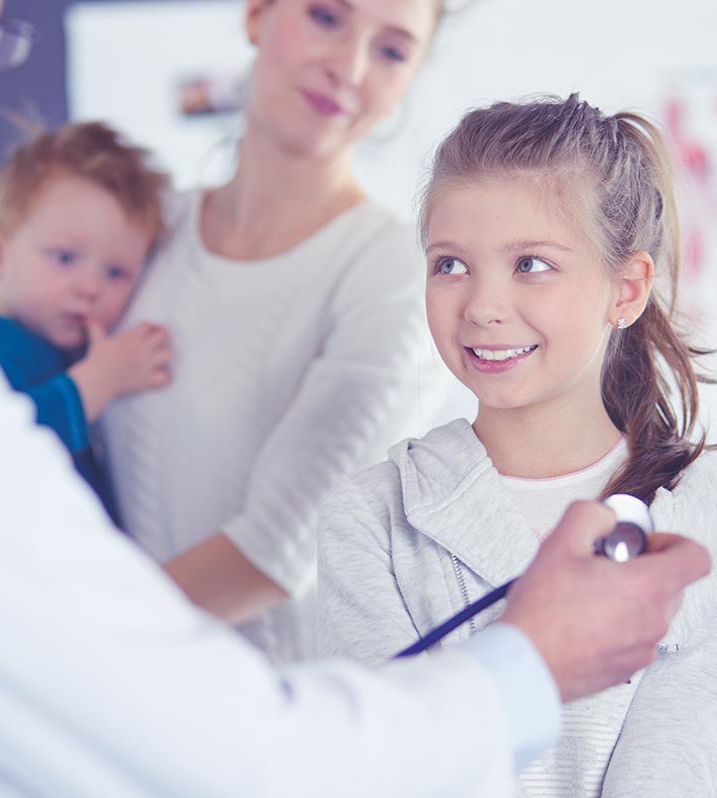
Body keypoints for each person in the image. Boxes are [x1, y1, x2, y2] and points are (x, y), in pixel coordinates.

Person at [0, 2, 712, 795]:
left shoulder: (375, 279)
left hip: (244, 711)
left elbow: (265, 559)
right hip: (204, 727)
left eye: (393, 47)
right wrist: (528, 667)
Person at [317, 95, 717, 797]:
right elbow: (378, 772)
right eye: (451, 265)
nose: (483, 305)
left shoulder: (703, 518)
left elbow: (670, 777)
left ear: (627, 289)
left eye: (531, 264)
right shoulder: (372, 516)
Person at [101, 0, 453, 661]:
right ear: (257, 13)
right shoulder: (148, 229)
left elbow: (276, 550)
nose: (348, 66)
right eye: (326, 17)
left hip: (269, 721)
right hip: (114, 704)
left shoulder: (393, 274)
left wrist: (67, 640)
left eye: (392, 50)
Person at [0, 121, 172, 527]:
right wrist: (97, 383)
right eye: (64, 258)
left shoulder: (72, 352)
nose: (90, 287)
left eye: (116, 273)